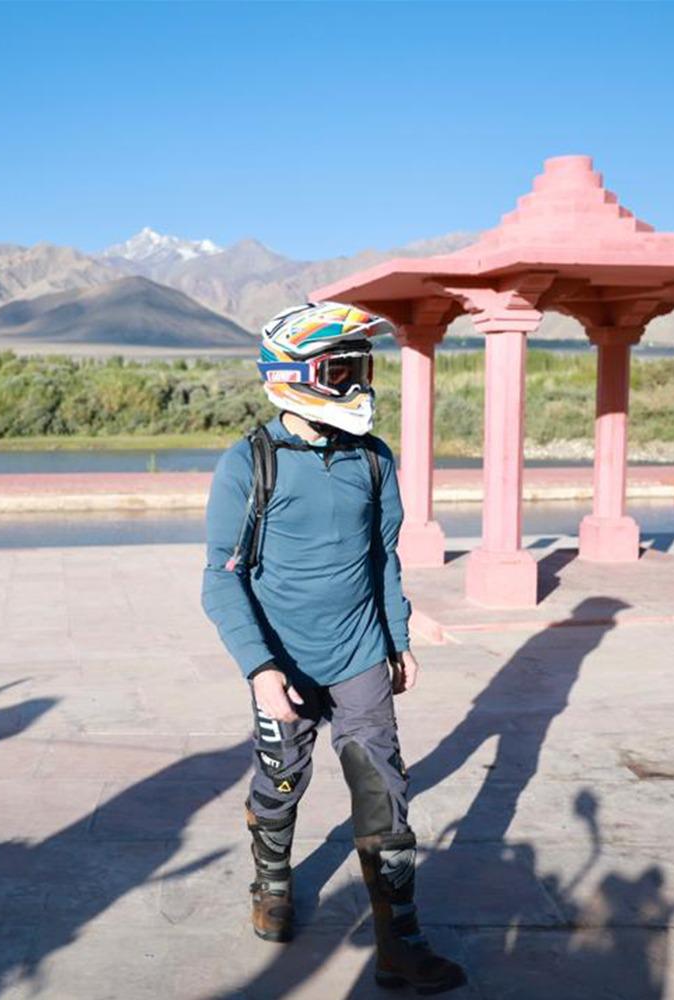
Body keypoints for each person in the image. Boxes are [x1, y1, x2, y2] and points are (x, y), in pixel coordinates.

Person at [201, 301, 466, 994]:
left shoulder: (373, 460)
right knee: (281, 782)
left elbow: (383, 557)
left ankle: (400, 945)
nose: (357, 385)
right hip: (281, 663)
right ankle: (272, 880)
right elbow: (219, 579)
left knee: (384, 793)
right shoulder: (248, 464)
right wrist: (258, 669)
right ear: (297, 377)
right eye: (341, 370)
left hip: (358, 656)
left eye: (360, 369)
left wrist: (399, 637)